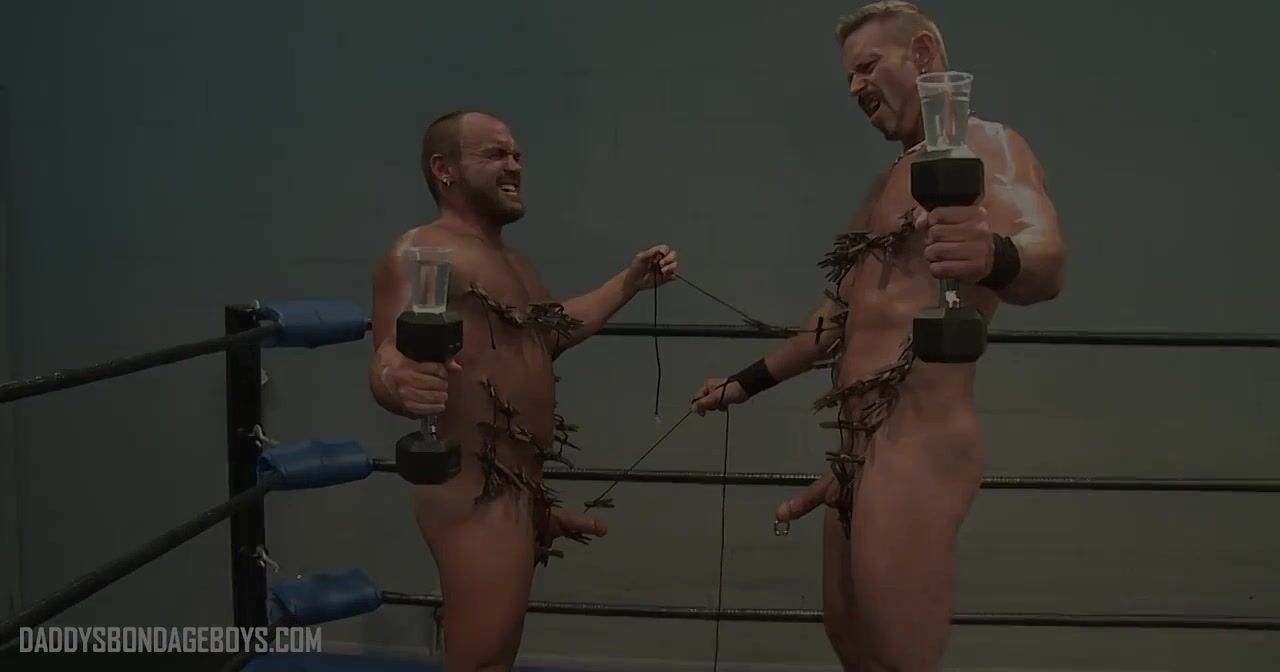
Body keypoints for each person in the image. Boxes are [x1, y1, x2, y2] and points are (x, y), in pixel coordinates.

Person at [689, 3, 1064, 670]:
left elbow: (1046, 258)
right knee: (853, 643)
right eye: (848, 77)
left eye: (867, 67)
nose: (855, 88)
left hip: (916, 442)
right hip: (857, 447)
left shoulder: (988, 145)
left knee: (899, 661)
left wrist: (995, 255)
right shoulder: (884, 185)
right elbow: (837, 318)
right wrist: (745, 383)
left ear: (921, 55)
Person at [368, 110, 679, 671]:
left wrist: (627, 283)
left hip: (516, 491)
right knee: (481, 664)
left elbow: (547, 336)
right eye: (495, 154)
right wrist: (397, 379)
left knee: (496, 658)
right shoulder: (421, 250)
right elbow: (389, 351)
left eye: (516, 155)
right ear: (444, 169)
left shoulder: (514, 264)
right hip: (474, 492)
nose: (514, 166)